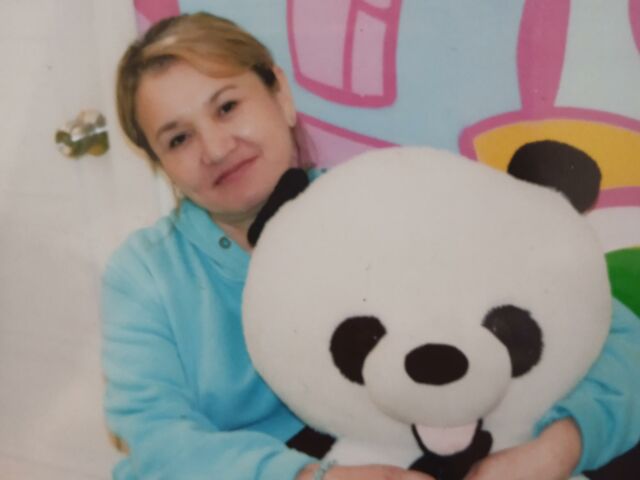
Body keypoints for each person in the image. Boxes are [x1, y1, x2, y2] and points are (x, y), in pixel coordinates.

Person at [102, 11, 640, 480]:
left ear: (280, 94)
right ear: (159, 162)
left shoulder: (391, 199)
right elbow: (155, 440)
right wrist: (310, 478)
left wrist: (562, 446)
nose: (217, 148)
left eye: (226, 107)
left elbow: (609, 332)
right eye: (178, 138)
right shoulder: (146, 274)